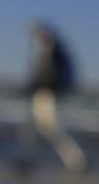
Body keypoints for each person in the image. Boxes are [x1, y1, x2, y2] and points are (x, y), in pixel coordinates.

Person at [18, 21, 87, 173]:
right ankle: (28, 160)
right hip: (48, 92)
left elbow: (44, 74)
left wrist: (34, 86)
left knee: (50, 127)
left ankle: (76, 161)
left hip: (47, 93)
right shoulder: (53, 48)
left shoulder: (48, 48)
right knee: (40, 127)